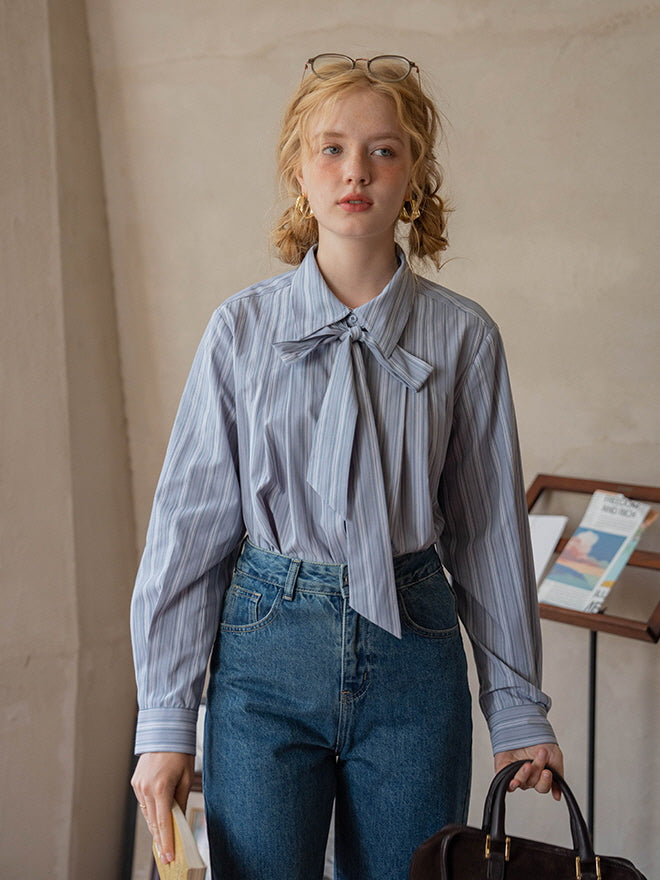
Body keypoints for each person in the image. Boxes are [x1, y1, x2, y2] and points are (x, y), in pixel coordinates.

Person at [130, 53, 563, 880]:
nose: (355, 170)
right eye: (330, 148)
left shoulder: (464, 337)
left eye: (384, 150)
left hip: (415, 654)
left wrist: (516, 710)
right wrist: (165, 721)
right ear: (299, 169)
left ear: (417, 176)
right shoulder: (241, 332)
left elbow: (487, 536)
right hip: (264, 657)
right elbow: (188, 533)